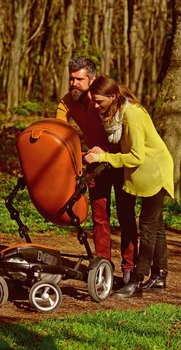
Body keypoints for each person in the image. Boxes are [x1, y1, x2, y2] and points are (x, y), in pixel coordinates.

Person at [83, 75, 174, 298]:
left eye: (99, 101)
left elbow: (135, 156)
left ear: (112, 96)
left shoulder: (130, 114)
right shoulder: (119, 111)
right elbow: (122, 146)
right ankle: (160, 275)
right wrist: (101, 152)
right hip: (144, 172)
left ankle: (136, 281)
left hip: (154, 172)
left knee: (148, 227)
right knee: (157, 226)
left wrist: (103, 157)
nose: (95, 105)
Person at [56, 57, 137, 285]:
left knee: (126, 215)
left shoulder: (107, 96)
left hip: (119, 160)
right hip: (95, 164)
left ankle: (130, 269)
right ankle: (104, 267)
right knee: (100, 218)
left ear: (92, 79)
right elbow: (59, 129)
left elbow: (128, 127)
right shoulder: (67, 102)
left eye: (79, 79)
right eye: (71, 78)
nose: (73, 83)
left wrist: (108, 150)